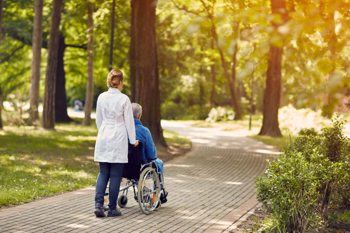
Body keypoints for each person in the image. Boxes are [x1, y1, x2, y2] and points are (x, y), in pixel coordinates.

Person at [94, 69, 138, 218]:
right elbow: (129, 123)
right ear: (121, 83)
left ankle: (98, 206)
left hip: (104, 136)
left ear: (109, 81)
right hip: (118, 137)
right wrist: (133, 141)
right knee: (115, 175)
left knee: (103, 173)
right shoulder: (124, 99)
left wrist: (103, 131)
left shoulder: (101, 97)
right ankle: (112, 208)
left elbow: (98, 120)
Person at [131, 103, 168, 204]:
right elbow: (152, 155)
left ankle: (142, 189)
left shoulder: (122, 129)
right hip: (140, 163)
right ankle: (158, 194)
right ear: (139, 115)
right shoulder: (144, 131)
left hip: (124, 165)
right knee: (158, 163)